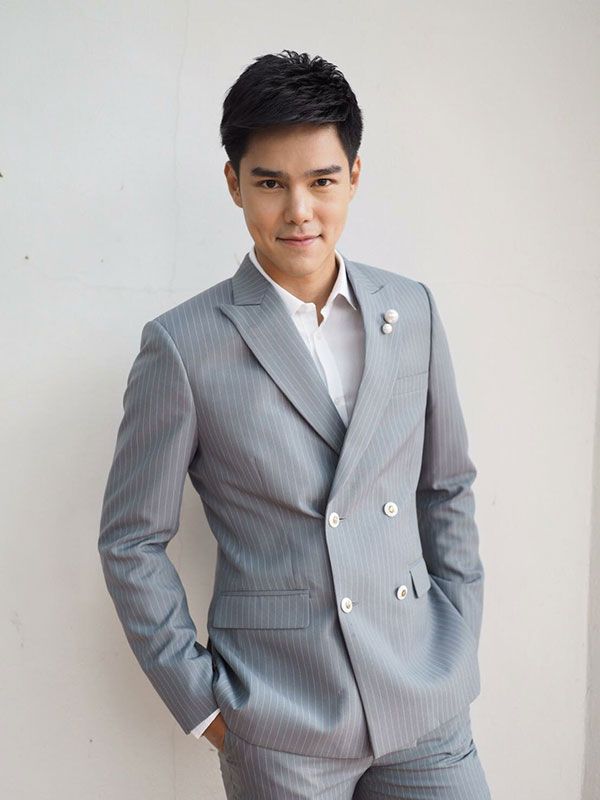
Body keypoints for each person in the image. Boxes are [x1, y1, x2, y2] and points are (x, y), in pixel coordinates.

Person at [98, 49, 491, 798]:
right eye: (271, 183)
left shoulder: (411, 310)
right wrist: (205, 706)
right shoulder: (183, 345)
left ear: (355, 176)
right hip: (281, 717)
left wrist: (457, 639)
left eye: (322, 181)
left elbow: (446, 487)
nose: (299, 211)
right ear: (234, 184)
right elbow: (130, 540)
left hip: (425, 702)